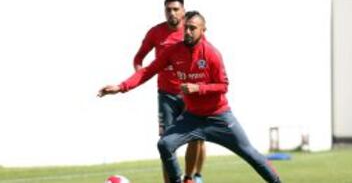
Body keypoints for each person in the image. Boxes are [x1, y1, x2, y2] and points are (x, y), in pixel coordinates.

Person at [98, 11, 282, 183]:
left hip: (218, 117)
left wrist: (198, 88)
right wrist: (121, 87)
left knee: (250, 153)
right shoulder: (172, 51)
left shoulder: (212, 54)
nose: (187, 31)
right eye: (186, 27)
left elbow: (223, 86)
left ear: (203, 30)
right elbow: (148, 71)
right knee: (165, 144)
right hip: (192, 118)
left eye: (193, 28)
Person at [134, 0, 205, 183]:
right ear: (164, 11)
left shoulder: (191, 30)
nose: (172, 13)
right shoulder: (155, 33)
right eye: (168, 9)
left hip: (190, 95)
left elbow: (204, 58)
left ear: (183, 11)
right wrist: (140, 74)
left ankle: (191, 177)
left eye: (176, 9)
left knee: (197, 137)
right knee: (166, 143)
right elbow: (138, 58)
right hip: (166, 95)